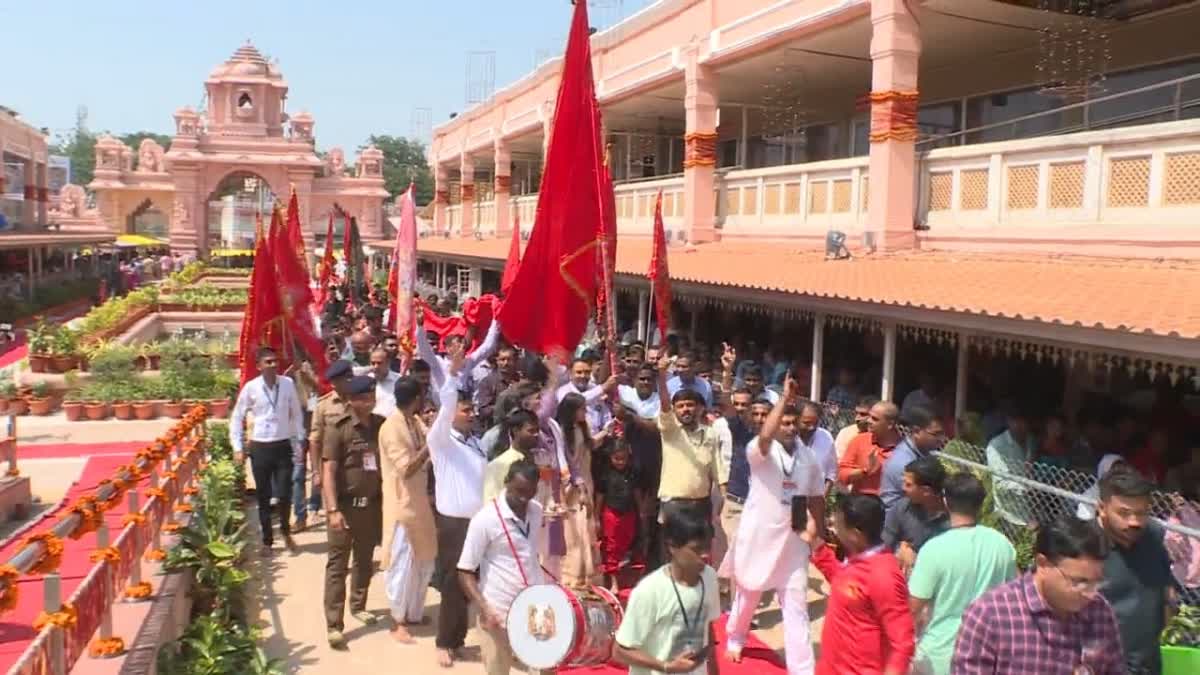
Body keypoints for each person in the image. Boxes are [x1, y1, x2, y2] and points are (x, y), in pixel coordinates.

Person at [724, 375, 826, 673]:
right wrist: (783, 399)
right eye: (785, 422)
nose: (791, 428)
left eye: (795, 423)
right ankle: (736, 635)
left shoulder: (809, 458)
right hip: (759, 532)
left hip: (793, 538)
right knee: (749, 592)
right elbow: (766, 438)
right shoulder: (759, 452)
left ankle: (802, 668)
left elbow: (816, 497)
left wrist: (817, 533)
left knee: (796, 604)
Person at [952, 514, 1123, 674]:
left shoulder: (1100, 612)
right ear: (1043, 564)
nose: (1090, 593)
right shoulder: (990, 615)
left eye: (1096, 582)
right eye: (1079, 582)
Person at [907, 472, 1016, 675]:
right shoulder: (1003, 545)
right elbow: (1014, 595)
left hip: (939, 655)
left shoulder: (934, 549)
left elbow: (913, 607)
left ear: (946, 501)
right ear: (981, 503)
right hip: (988, 652)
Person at [427, 343, 487, 668]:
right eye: (467, 410)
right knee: (452, 583)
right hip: (452, 524)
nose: (472, 413)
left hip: (476, 523)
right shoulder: (441, 441)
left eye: (473, 409)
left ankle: (459, 638)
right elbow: (447, 402)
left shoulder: (475, 443)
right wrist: (452, 374)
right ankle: (443, 642)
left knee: (469, 583)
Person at [457, 461, 547, 675]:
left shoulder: (536, 511)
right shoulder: (485, 520)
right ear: (506, 483)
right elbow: (465, 570)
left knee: (544, 668)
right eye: (519, 491)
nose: (524, 498)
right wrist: (484, 608)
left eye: (530, 492)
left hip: (535, 607)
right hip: (498, 611)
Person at [809, 493, 914, 675]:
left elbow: (902, 643)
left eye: (837, 525)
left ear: (856, 533)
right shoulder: (857, 558)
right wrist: (814, 542)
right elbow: (843, 581)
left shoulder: (884, 576)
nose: (833, 528)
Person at [613, 508, 721, 675]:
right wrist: (665, 667)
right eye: (696, 549)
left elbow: (708, 630)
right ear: (672, 547)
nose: (705, 554)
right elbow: (620, 651)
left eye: (707, 547)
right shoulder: (650, 591)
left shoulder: (710, 578)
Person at [320, 375, 385, 648]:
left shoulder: (381, 425)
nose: (369, 401)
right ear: (351, 400)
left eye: (371, 395)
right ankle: (334, 624)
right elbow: (329, 470)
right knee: (337, 565)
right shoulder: (339, 428)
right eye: (363, 397)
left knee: (364, 559)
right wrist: (332, 509)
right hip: (345, 508)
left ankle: (358, 605)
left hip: (371, 507)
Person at [1095, 466, 1174, 675]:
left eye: (1141, 513)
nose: (1134, 522)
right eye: (1124, 513)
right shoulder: (1080, 546)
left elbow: (1164, 592)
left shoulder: (1153, 538)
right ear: (1102, 508)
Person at [230, 347, 306, 554]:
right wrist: (238, 447)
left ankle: (285, 530)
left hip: (282, 446)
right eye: (268, 362)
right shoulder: (251, 388)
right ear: (259, 366)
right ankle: (267, 540)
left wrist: (300, 441)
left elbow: (297, 414)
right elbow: (237, 417)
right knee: (264, 496)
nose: (273, 365)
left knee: (284, 493)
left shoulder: (288, 384)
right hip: (260, 447)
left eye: (275, 361)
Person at [379, 376, 434, 644]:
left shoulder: (414, 421)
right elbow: (406, 468)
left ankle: (414, 612)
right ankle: (397, 621)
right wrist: (429, 445)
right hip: (401, 504)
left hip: (420, 502)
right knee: (401, 564)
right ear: (416, 398)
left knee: (423, 560)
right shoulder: (391, 428)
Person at [654, 353, 719, 546]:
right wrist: (662, 375)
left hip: (701, 504)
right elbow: (665, 407)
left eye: (690, 405)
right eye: (680, 406)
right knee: (672, 553)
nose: (685, 410)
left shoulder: (710, 434)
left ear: (700, 409)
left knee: (698, 554)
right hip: (673, 504)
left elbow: (718, 474)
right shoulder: (670, 431)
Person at [882, 456, 950, 575]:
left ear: (926, 491)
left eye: (908, 485)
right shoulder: (902, 507)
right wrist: (899, 549)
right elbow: (884, 544)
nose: (903, 488)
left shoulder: (953, 518)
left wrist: (916, 561)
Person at [880, 406, 944, 514]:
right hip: (897, 520)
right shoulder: (903, 463)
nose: (941, 439)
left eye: (942, 434)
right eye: (935, 434)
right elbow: (926, 499)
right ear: (917, 431)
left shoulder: (925, 452)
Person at [596, 442, 643, 589]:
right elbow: (600, 496)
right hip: (611, 513)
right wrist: (597, 517)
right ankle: (613, 581)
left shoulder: (632, 472)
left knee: (625, 542)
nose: (620, 462)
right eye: (617, 458)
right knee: (611, 546)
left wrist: (640, 511)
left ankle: (620, 571)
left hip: (629, 513)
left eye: (623, 459)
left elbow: (637, 493)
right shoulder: (605, 474)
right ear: (611, 457)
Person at [985, 407, 1037, 526]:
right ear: (1008, 421)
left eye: (1023, 422)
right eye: (1016, 421)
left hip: (1031, 506)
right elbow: (1000, 483)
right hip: (1010, 511)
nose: (1020, 425)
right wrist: (1028, 487)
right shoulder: (997, 445)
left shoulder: (1030, 440)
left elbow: (1031, 467)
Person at [838, 400, 902, 496]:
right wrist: (865, 470)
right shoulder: (860, 440)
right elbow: (842, 476)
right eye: (870, 416)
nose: (868, 421)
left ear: (890, 424)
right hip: (862, 505)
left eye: (875, 419)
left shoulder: (905, 449)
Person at [483, 409, 541, 501]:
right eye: (531, 431)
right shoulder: (499, 464)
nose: (536, 434)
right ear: (515, 431)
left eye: (537, 430)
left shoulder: (542, 459)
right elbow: (491, 501)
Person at [834, 395, 877, 460]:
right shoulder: (846, 433)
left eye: (863, 414)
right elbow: (840, 462)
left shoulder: (884, 435)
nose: (857, 418)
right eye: (856, 413)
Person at [370, 347, 401, 418]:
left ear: (388, 362)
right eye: (373, 363)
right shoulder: (366, 381)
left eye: (379, 363)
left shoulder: (399, 381)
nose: (375, 367)